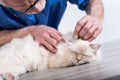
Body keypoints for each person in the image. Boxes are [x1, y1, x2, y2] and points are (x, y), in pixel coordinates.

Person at [0, 0, 104, 53]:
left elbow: (93, 1)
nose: (38, 9)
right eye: (24, 8)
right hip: (10, 58)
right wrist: (30, 32)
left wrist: (96, 17)